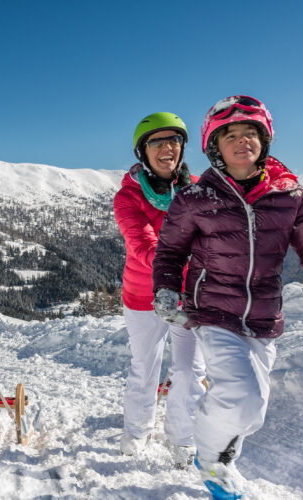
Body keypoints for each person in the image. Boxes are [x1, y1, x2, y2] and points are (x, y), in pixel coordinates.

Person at [152, 95, 303, 499]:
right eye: (231, 135)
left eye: (251, 132)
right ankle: (212, 459)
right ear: (215, 147)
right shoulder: (196, 199)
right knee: (241, 396)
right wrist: (167, 288)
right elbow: (169, 252)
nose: (243, 141)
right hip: (213, 311)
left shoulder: (289, 196)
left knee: (252, 409)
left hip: (263, 317)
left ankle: (221, 450)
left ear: (265, 140)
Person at [112, 112, 206, 467]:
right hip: (143, 296)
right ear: (143, 151)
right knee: (145, 366)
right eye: (157, 141)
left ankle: (183, 436)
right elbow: (142, 244)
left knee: (189, 370)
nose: (168, 147)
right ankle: (137, 430)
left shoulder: (198, 189)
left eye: (174, 140)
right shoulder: (129, 196)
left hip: (191, 297)